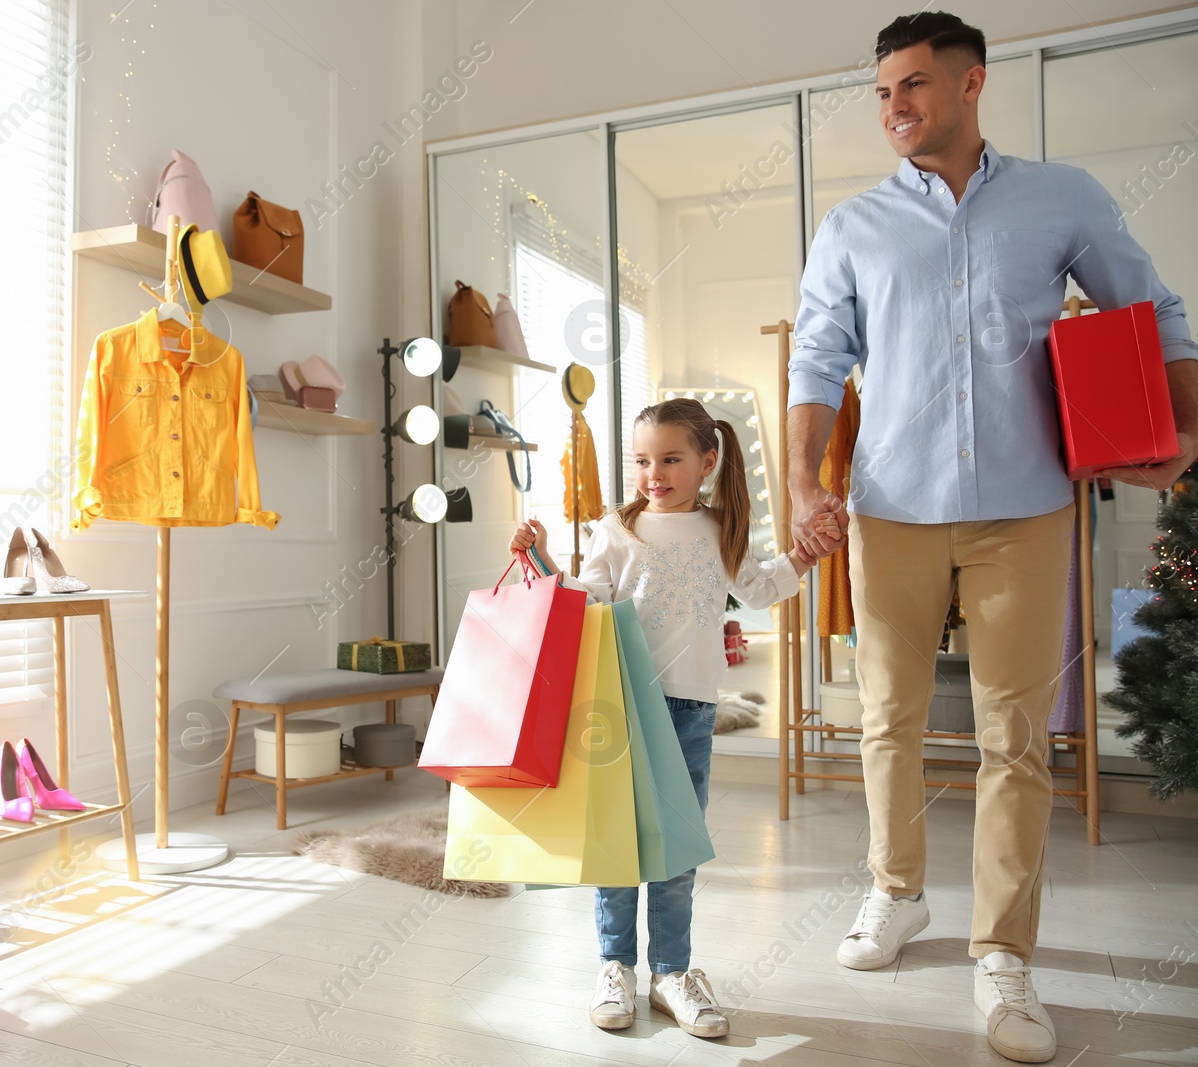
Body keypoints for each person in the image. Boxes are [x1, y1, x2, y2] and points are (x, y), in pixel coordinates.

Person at [787, 12, 1198, 1064]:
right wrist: (799, 481)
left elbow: (1151, 312)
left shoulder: (1061, 197)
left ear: (972, 85)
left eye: (914, 85)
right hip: (890, 505)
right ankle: (895, 893)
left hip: (1027, 504)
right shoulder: (852, 226)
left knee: (1016, 732)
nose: (894, 109)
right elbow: (814, 363)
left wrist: (1184, 427)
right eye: (882, 92)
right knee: (889, 717)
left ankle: (1002, 950)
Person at [509, 397, 835, 1041]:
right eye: (641, 460)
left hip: (690, 709)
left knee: (676, 848)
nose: (652, 473)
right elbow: (590, 600)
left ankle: (671, 973)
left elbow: (763, 586)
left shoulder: (719, 530)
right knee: (617, 842)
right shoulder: (615, 530)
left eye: (670, 459)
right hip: (620, 702)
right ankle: (615, 966)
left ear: (707, 461)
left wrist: (805, 556)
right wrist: (544, 559)